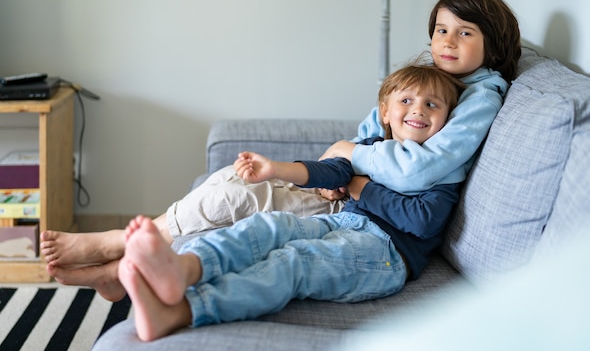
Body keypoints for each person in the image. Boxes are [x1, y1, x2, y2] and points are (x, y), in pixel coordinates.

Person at [39, 0, 521, 301]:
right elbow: (374, 130)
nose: (447, 41)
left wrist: (352, 163)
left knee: (253, 216)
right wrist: (334, 163)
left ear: (493, 45)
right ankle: (122, 260)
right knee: (230, 182)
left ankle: (121, 258)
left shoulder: (480, 93)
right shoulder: (429, 77)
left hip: (372, 216)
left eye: (464, 33)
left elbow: (415, 170)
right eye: (441, 29)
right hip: (349, 195)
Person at [118, 65, 464, 341]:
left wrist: (359, 187)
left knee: (293, 262)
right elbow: (333, 169)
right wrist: (275, 169)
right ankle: (186, 268)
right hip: (341, 223)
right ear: (385, 112)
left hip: (385, 255)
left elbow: (421, 220)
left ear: (447, 120)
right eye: (406, 101)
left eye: (431, 104)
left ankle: (183, 312)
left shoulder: (442, 169)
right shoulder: (372, 147)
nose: (418, 109)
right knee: (268, 225)